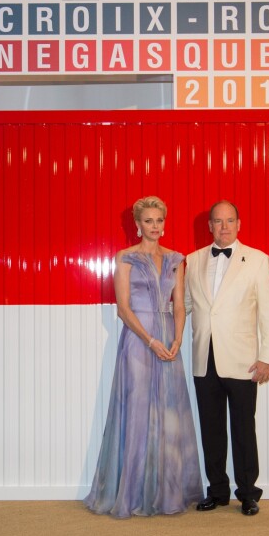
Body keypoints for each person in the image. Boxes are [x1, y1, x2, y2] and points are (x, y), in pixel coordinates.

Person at [84, 196, 203, 518]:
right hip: (138, 342)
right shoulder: (125, 258)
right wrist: (150, 340)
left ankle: (167, 493)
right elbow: (123, 309)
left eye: (159, 220)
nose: (155, 226)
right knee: (136, 412)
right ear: (137, 225)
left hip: (168, 342)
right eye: (148, 221)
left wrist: (177, 338)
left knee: (169, 415)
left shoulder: (177, 259)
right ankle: (132, 492)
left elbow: (179, 305)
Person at [184, 200, 269, 516]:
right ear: (209, 226)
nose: (223, 227)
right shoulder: (193, 260)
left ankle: (248, 493)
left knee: (242, 428)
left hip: (243, 360)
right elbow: (184, 306)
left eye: (229, 221)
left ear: (239, 224)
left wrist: (267, 357)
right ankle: (218, 491)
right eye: (217, 221)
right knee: (211, 429)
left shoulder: (257, 260)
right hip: (204, 357)